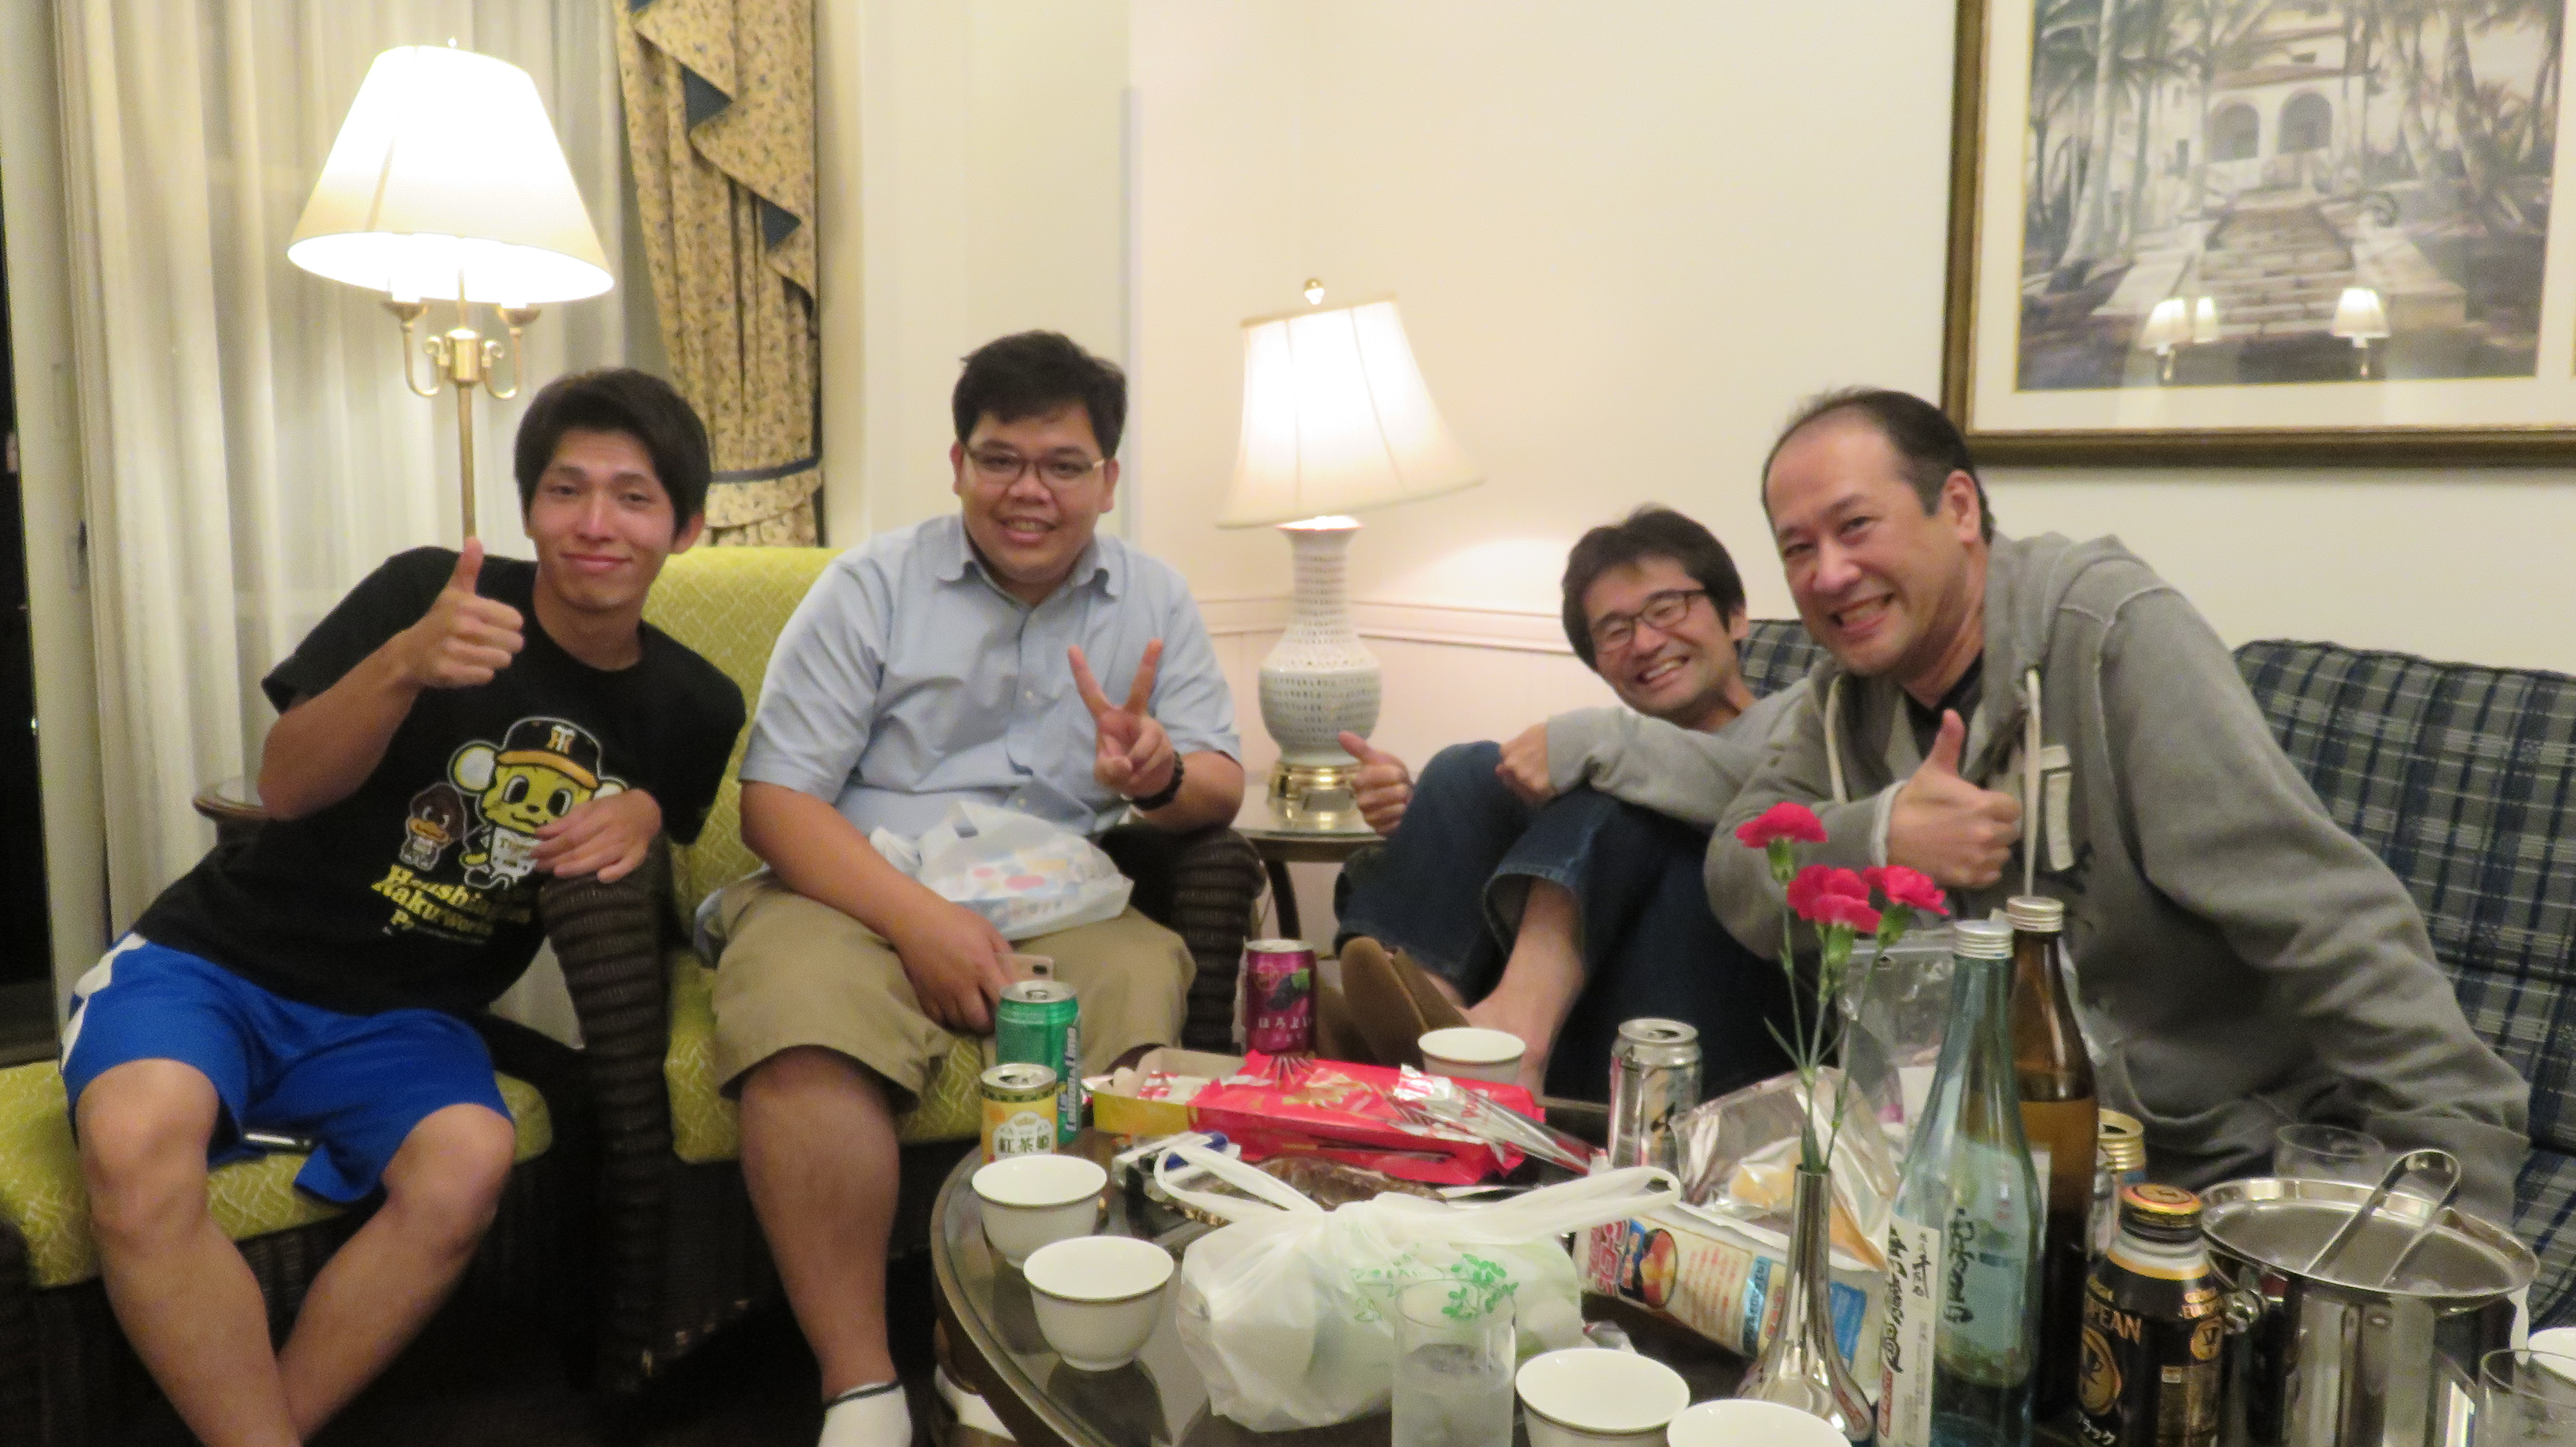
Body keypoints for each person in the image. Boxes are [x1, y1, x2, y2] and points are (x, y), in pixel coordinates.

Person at [1557, 387, 2530, 1220]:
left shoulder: (2113, 641)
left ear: (1958, 508)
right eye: (1797, 548)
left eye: (1855, 527)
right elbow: (1739, 870)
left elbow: (2327, 920)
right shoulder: (1841, 704)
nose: (1828, 574)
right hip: (1958, 1172)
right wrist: (1885, 832)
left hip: (2179, 1171)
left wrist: (2458, 1194)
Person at [62, 368, 744, 1447]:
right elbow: (285, 786)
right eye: (567, 490)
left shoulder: (697, 704)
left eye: (634, 497)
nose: (595, 523)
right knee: (136, 1148)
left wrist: (649, 809)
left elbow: (665, 815)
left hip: (408, 1018)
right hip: (219, 964)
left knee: (465, 1164)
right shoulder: (428, 595)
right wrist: (402, 665)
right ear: (530, 509)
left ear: (687, 528)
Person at [707, 330, 1243, 1447]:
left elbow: (1220, 787)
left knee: (1134, 986)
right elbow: (778, 804)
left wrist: (1158, 775)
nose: (1028, 490)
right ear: (957, 464)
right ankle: (860, 1383)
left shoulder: (1152, 596)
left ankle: (1023, 1352)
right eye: (1001, 459)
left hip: (1059, 895)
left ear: (1107, 478)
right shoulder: (870, 587)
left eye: (1062, 464)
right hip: (853, 885)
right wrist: (922, 923)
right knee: (801, 1010)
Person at [1329, 506, 1802, 1102]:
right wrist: (1414, 811)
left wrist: (1592, 738)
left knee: (1614, 804)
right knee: (1468, 769)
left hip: (1726, 996)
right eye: (1615, 630)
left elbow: (1780, 805)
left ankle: (1512, 1039)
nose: (1646, 641)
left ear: (1736, 615)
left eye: (1666, 608)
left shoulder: (1805, 714)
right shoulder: (1616, 755)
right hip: (1603, 1004)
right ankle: (1428, 1021)